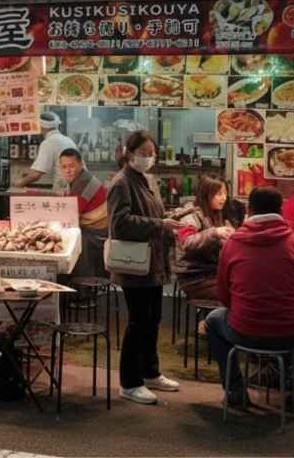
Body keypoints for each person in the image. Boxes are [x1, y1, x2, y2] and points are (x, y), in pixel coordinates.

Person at [205, 186, 294, 408]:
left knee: (213, 320)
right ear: (281, 210)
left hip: (242, 332)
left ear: (249, 209)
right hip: (289, 334)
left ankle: (235, 390)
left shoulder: (233, 243)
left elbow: (222, 296)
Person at [108, 130, 184, 405]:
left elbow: (153, 215)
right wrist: (158, 224)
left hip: (153, 262)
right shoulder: (121, 183)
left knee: (152, 320)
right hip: (134, 265)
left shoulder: (147, 179)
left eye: (152, 153)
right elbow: (121, 224)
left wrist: (168, 219)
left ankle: (150, 372)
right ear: (129, 154)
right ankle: (129, 382)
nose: (149, 157)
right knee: (138, 322)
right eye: (143, 153)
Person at [171, 176, 237, 301]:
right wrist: (215, 233)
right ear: (206, 194)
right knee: (236, 295)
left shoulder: (218, 215)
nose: (223, 198)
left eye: (225, 194)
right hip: (195, 278)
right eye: (218, 194)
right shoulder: (189, 216)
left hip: (213, 274)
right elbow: (188, 242)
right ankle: (214, 321)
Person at [59, 148, 108, 277]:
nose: (68, 170)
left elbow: (69, 218)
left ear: (80, 165)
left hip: (97, 234)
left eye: (71, 166)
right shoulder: (81, 178)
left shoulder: (83, 182)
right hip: (96, 230)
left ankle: (81, 290)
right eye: (64, 167)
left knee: (69, 239)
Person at [14, 111, 78, 192]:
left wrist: (19, 183)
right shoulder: (66, 139)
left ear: (41, 127)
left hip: (67, 189)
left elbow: (35, 174)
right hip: (79, 186)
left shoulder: (49, 142)